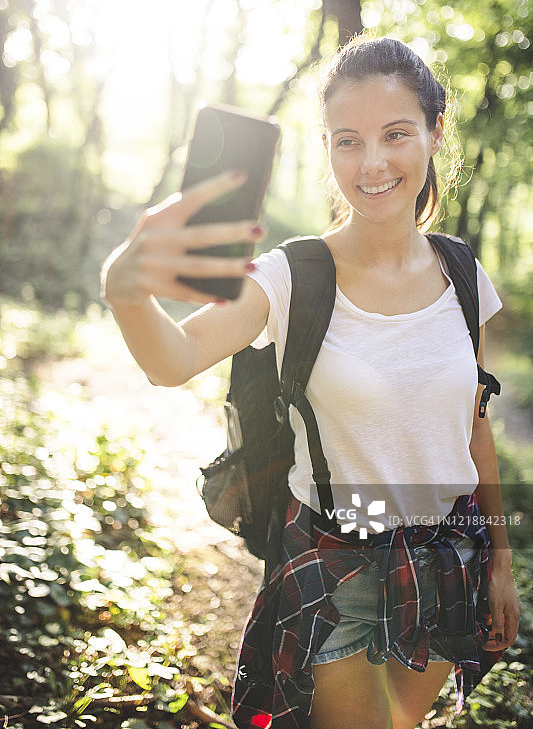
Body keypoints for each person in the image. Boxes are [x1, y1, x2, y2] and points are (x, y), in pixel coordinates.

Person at [101, 36, 521, 729]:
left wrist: (498, 562)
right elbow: (170, 360)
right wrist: (125, 290)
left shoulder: (463, 273)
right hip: (336, 564)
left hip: (450, 559)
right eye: (347, 141)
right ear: (326, 149)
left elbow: (472, 423)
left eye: (395, 134)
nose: (373, 162)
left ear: (433, 133)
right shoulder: (292, 275)